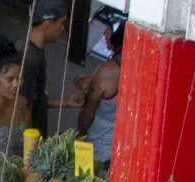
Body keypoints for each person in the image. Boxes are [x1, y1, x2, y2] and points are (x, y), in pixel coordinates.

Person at [18, 0, 77, 136]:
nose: (63, 29)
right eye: (62, 24)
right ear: (48, 23)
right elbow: (25, 108)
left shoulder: (34, 51)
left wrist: (66, 101)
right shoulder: (30, 60)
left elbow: (36, 99)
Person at [77, 23, 123, 165]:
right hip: (123, 152)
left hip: (99, 151)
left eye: (108, 29)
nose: (104, 34)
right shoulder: (138, 67)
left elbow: (88, 113)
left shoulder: (108, 70)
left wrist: (78, 138)